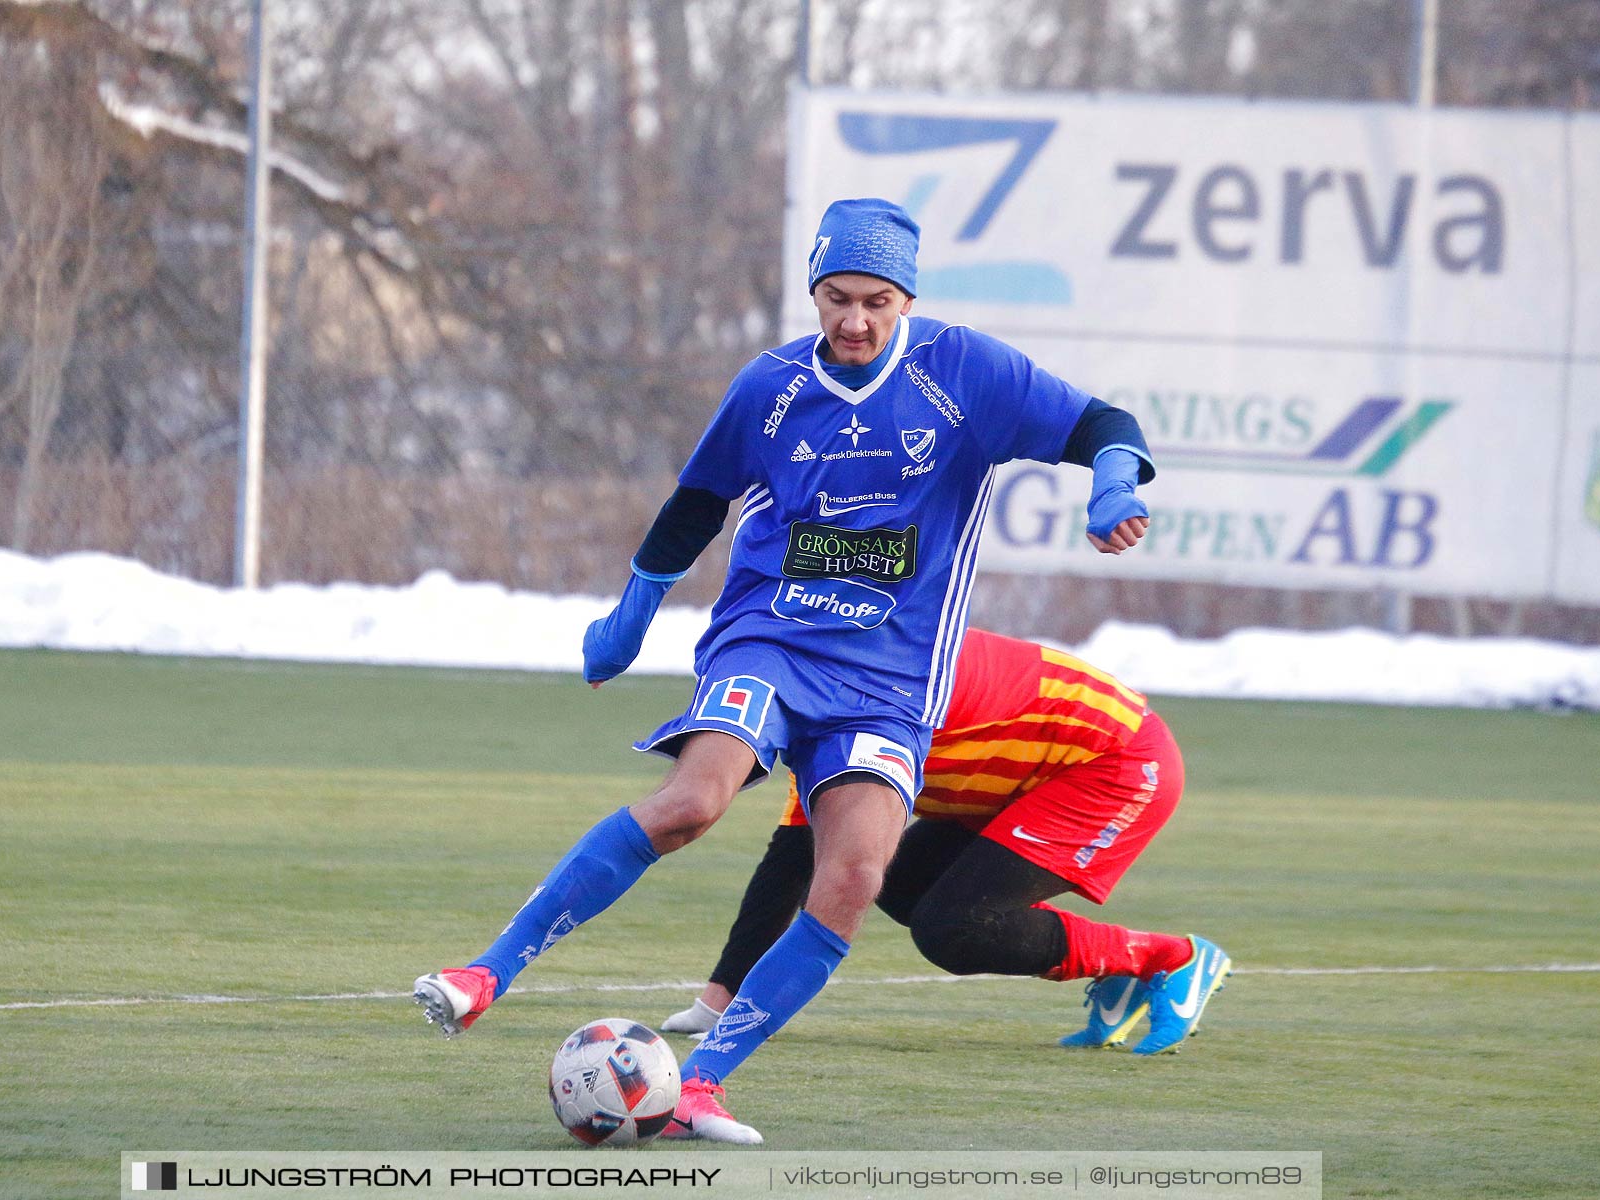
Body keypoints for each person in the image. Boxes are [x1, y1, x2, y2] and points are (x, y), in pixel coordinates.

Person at [412, 198, 1156, 1144]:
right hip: (770, 636)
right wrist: (627, 621)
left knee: (852, 875)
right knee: (692, 804)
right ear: (813, 293)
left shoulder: (965, 373)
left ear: (907, 300)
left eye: (877, 302)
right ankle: (486, 974)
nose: (854, 321)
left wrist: (1113, 482)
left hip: (892, 677)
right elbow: (694, 506)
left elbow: (1103, 421)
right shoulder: (768, 387)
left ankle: (702, 1088)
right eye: (836, 298)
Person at [661, 627, 1231, 1056]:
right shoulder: (827, 718)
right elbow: (795, 860)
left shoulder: (895, 695)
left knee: (954, 928)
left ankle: (1170, 958)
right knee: (899, 883)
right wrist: (720, 1001)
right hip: (1023, 774)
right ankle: (1126, 964)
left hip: (1115, 762)